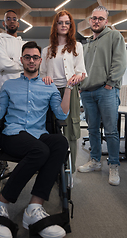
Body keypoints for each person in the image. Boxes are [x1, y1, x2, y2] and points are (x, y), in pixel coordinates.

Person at [0, 41, 81, 238]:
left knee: (60, 143)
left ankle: (34, 208)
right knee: (40, 150)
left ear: (40, 61)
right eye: (27, 57)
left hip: (38, 135)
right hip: (12, 135)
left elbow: (61, 116)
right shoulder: (9, 85)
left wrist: (68, 88)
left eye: (35, 57)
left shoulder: (48, 86)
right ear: (22, 59)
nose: (31, 60)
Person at [77, 6, 127, 186]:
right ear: (90, 21)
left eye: (100, 18)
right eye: (93, 18)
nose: (96, 21)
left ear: (106, 21)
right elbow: (81, 68)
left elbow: (120, 62)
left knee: (111, 131)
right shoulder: (86, 44)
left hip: (106, 91)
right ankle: (95, 161)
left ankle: (113, 165)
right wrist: (81, 87)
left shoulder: (115, 36)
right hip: (87, 92)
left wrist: (110, 84)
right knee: (92, 130)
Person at [40, 10, 87, 175]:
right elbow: (42, 73)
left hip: (70, 91)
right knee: (52, 129)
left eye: (67, 22)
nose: (64, 25)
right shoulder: (47, 50)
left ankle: (69, 171)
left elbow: (82, 72)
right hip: (51, 92)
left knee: (70, 130)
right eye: (60, 22)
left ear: (71, 25)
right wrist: (45, 78)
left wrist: (77, 77)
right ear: (56, 25)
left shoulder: (77, 46)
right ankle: (52, 171)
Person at [0, 10, 26, 91]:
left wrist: (11, 60)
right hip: (5, 89)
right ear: (3, 23)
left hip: (23, 88)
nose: (12, 21)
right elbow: (2, 65)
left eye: (14, 19)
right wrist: (21, 64)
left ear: (18, 24)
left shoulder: (24, 44)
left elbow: (29, 65)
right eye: (8, 19)